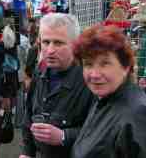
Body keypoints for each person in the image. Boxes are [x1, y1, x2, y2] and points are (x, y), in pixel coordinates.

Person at [71, 24, 146, 158]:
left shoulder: (137, 115)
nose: (94, 74)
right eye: (88, 64)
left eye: (105, 63)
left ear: (125, 67)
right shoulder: (104, 99)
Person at [20, 13, 93, 158]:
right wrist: (27, 152)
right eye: (46, 42)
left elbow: (101, 130)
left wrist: (64, 136)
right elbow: (28, 115)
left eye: (58, 43)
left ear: (75, 44)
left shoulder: (90, 80)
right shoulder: (40, 72)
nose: (50, 50)